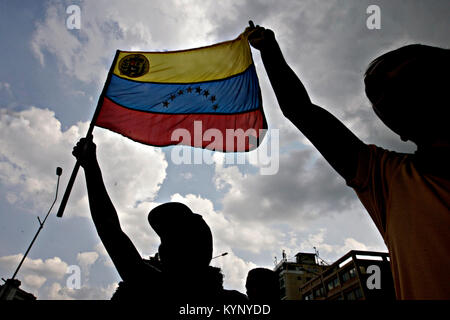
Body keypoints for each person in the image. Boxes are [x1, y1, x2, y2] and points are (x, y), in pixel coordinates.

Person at [246, 23, 450, 299]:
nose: (391, 99)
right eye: (381, 99)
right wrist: (269, 52)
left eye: (410, 80)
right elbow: (301, 111)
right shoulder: (386, 178)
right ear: (397, 129)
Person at [72, 137, 247, 303]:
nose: (160, 253)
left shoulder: (157, 288)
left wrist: (91, 166)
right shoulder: (235, 302)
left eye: (168, 244)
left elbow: (109, 229)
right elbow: (110, 230)